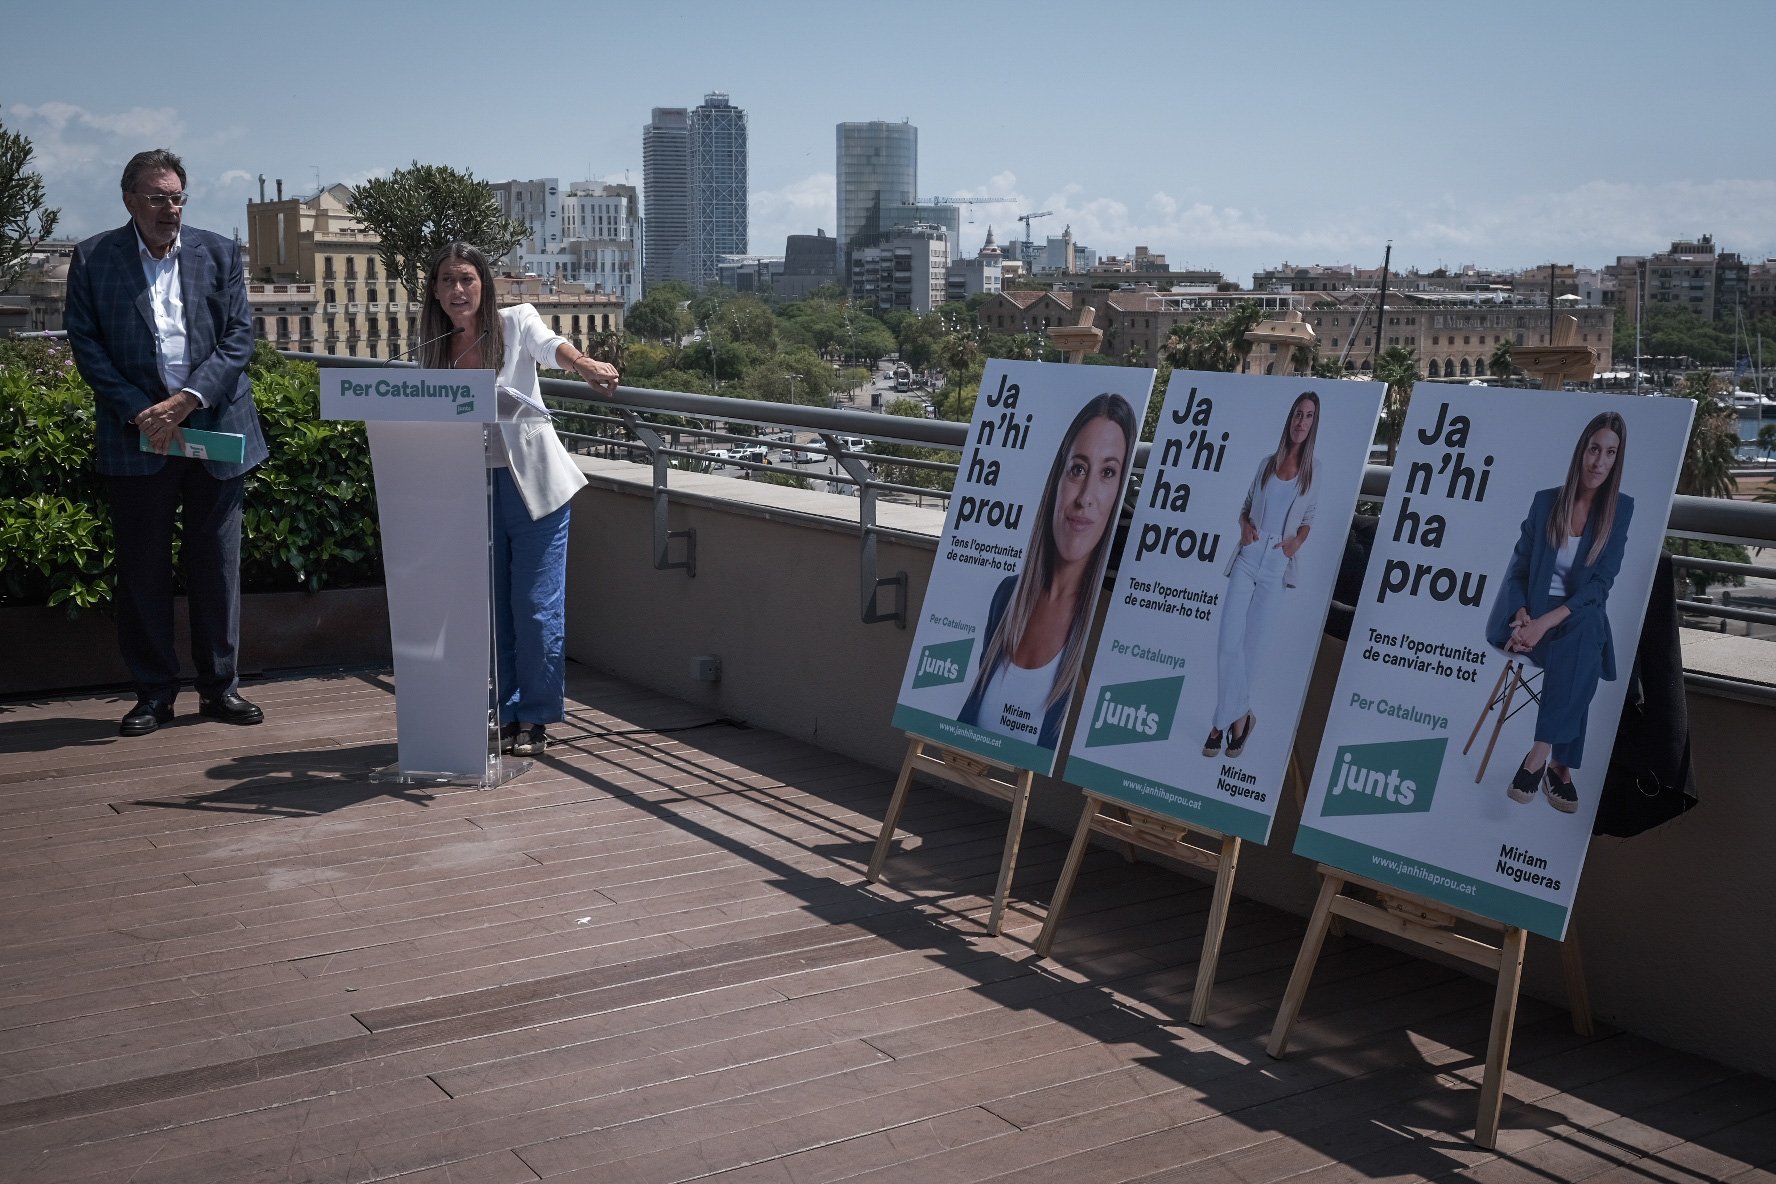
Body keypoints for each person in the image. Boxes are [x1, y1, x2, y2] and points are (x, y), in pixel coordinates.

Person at [64, 149, 269, 736]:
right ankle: (153, 695)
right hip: (139, 436)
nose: (170, 208)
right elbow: (87, 347)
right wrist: (143, 413)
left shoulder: (221, 253)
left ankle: (220, 689)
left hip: (215, 428)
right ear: (129, 199)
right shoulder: (95, 257)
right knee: (143, 571)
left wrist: (186, 402)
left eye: (177, 197)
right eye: (157, 197)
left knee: (217, 568)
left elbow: (237, 340)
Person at [419, 242, 620, 758]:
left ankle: (536, 715)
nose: (457, 290)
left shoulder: (516, 321)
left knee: (535, 608)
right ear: (434, 291)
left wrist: (585, 364)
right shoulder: (435, 346)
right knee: (492, 612)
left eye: (466, 278)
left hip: (535, 488)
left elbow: (552, 345)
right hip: (473, 490)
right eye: (446, 281)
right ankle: (504, 713)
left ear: (483, 283)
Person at [959, 393, 1136, 749]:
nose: (1085, 496)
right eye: (1078, 469)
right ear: (1057, 480)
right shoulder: (1008, 596)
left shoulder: (1108, 616)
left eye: (1107, 473)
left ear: (1120, 492)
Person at [1485, 411, 1632, 814]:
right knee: (1586, 648)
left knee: (1585, 626)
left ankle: (1539, 752)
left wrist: (1546, 624)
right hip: (1527, 614)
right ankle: (1560, 768)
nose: (1599, 462)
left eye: (1610, 453)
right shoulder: (1546, 502)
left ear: (1618, 460)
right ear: (1581, 451)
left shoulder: (1620, 510)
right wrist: (1522, 615)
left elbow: (1600, 585)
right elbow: (1519, 568)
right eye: (1594, 449)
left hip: (1569, 616)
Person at [1203, 391, 1321, 759]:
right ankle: (1237, 721)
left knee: (1250, 650)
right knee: (1228, 644)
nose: (1301, 422)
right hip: (1249, 554)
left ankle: (1221, 725)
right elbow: (1244, 507)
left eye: (1309, 416)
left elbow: (1309, 520)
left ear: (1314, 424)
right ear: (1289, 419)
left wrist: (1293, 546)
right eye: (1297, 414)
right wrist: (1243, 527)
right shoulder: (1266, 464)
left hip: (1276, 562)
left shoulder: (1313, 471)